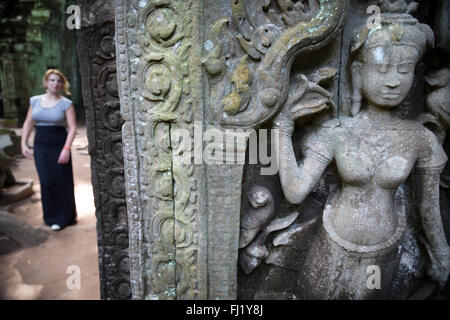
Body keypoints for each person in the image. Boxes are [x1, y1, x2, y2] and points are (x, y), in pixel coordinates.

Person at [269, 4, 450, 299]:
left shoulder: (420, 139)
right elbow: (295, 191)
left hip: (383, 252)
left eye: (403, 70)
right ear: (358, 71)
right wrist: (283, 128)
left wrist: (442, 255)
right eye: (381, 68)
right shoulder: (337, 132)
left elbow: (428, 209)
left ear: (415, 74)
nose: (393, 80)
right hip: (330, 246)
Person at [21, 69, 77, 231]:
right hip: (41, 145)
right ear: (45, 83)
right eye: (52, 80)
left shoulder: (66, 104)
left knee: (62, 180)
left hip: (59, 143)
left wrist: (66, 148)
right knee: (45, 181)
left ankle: (65, 217)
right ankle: (50, 217)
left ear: (62, 84)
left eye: (59, 81)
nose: (55, 83)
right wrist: (23, 144)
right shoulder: (35, 101)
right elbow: (28, 124)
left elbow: (72, 128)